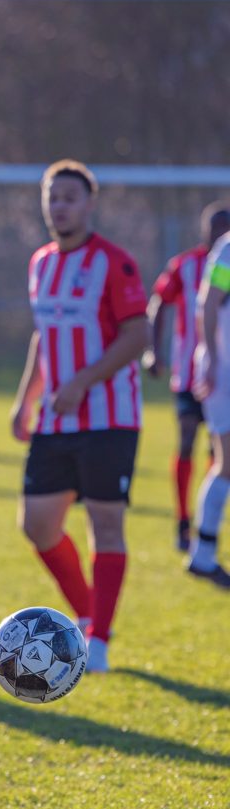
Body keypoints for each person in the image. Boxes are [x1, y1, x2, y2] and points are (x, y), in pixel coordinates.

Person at [10, 160, 149, 674]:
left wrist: (82, 383)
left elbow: (138, 335)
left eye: (69, 197)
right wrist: (26, 398)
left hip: (110, 419)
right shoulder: (40, 262)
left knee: (105, 526)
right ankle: (88, 613)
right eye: (53, 197)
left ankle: (101, 640)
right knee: (37, 525)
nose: (60, 206)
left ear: (89, 204)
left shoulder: (114, 262)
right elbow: (42, 335)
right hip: (55, 421)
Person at [144, 203, 230, 550]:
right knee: (190, 441)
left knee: (219, 455)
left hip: (218, 372)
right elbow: (165, 303)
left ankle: (205, 531)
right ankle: (185, 522)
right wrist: (154, 351)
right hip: (198, 371)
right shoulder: (192, 263)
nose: (219, 232)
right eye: (215, 227)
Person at [187, 229, 230, 587]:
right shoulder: (229, 248)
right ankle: (202, 554)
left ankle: (203, 553)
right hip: (224, 371)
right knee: (227, 461)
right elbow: (209, 301)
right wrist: (213, 357)